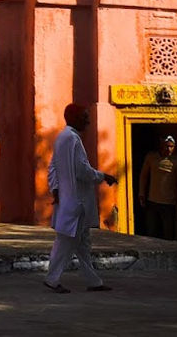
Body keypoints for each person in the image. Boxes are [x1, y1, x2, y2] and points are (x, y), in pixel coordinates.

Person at [43, 103, 118, 294]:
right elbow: (82, 171)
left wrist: (55, 189)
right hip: (76, 203)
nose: (88, 120)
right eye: (85, 116)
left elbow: (52, 168)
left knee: (82, 244)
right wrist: (103, 176)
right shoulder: (72, 139)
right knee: (66, 242)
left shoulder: (63, 138)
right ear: (75, 118)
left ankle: (93, 281)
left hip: (72, 201)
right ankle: (52, 279)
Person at [138, 135, 177, 241]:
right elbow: (144, 176)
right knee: (151, 232)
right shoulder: (151, 157)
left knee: (168, 234)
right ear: (161, 146)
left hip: (169, 204)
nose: (169, 149)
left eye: (171, 147)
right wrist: (141, 193)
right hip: (152, 201)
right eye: (167, 146)